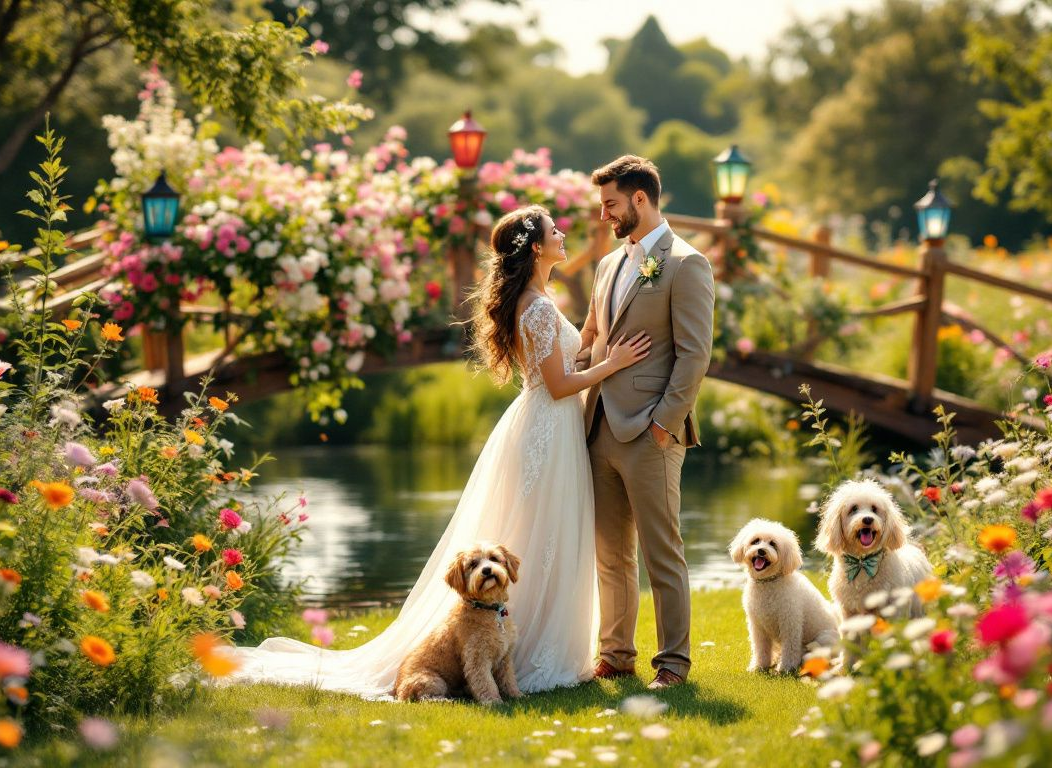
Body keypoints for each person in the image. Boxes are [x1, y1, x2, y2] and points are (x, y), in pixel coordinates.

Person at [225, 205, 651, 697]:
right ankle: (523, 651)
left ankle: (526, 644)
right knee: (538, 534)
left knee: (546, 533)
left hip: (551, 429)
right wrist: (612, 364)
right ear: (536, 247)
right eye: (554, 230)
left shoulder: (540, 300)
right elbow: (557, 385)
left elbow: (558, 367)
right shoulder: (534, 306)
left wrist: (597, 348)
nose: (563, 234)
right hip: (548, 427)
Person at [578, 155, 715, 689]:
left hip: (652, 432)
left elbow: (694, 354)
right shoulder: (609, 265)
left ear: (640, 198)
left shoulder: (686, 263)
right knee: (611, 554)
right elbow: (591, 338)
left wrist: (664, 423)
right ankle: (616, 653)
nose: (606, 214)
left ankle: (674, 664)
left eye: (611, 204)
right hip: (599, 429)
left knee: (663, 553)